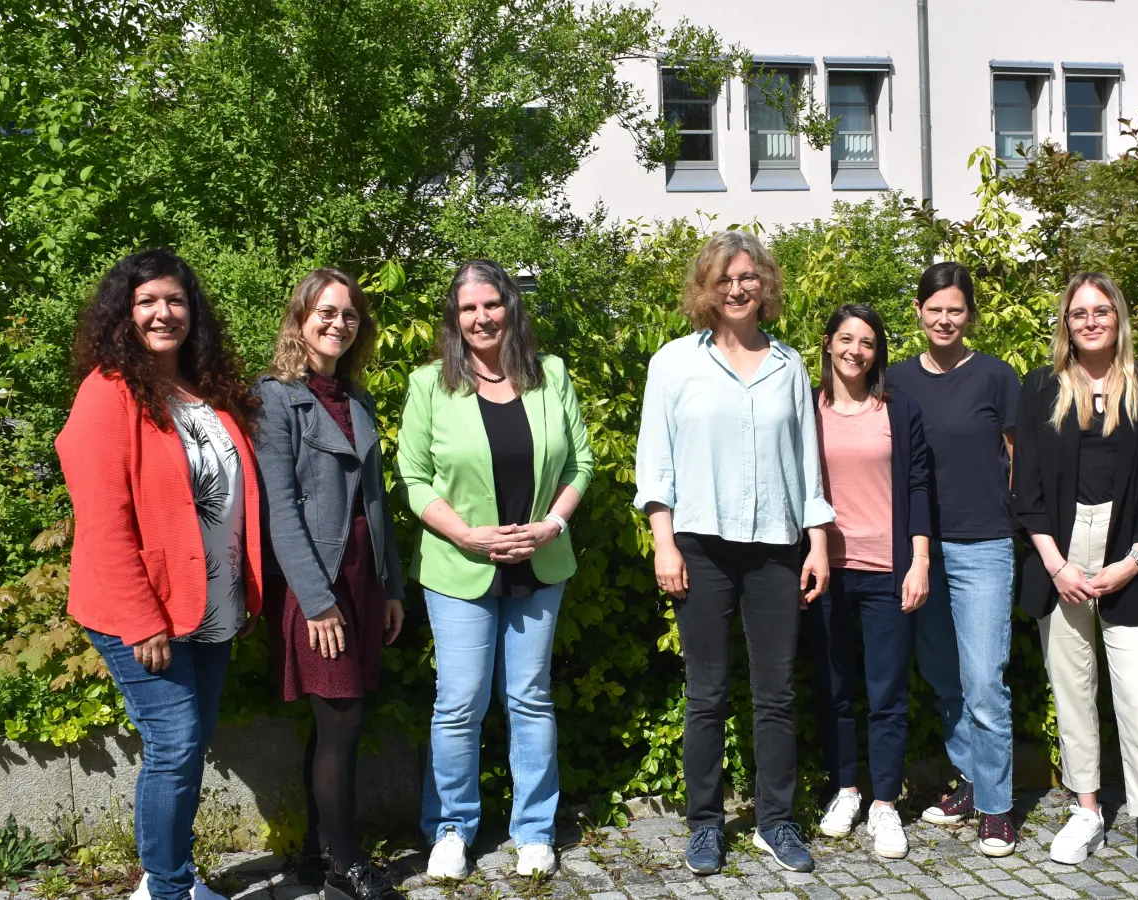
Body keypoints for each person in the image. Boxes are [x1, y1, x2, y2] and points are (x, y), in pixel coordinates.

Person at [56, 248, 262, 900]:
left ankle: (172, 873)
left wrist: (245, 588)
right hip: (144, 613)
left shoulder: (206, 391)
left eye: (175, 300)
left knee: (189, 744)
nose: (163, 312)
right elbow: (103, 522)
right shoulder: (108, 393)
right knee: (173, 746)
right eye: (148, 301)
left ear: (191, 312)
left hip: (209, 605)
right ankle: (167, 888)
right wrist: (142, 619)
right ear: (125, 312)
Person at [635, 230, 834, 876]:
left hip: (778, 547)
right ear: (706, 289)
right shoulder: (673, 364)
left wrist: (820, 543)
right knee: (707, 692)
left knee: (776, 693)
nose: (738, 287)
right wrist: (664, 541)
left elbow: (809, 466)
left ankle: (776, 821)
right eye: (725, 278)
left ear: (765, 285)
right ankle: (705, 826)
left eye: (748, 277)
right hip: (701, 544)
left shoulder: (790, 365)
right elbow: (655, 462)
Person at [395, 259, 594, 881]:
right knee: (458, 702)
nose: (481, 317)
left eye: (491, 304)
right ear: (455, 320)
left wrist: (550, 526)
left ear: (510, 307)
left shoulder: (551, 375)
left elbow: (580, 464)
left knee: (530, 698)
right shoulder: (430, 383)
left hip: (540, 561)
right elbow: (413, 477)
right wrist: (468, 536)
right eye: (468, 308)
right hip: (459, 567)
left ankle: (534, 829)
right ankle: (451, 827)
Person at [1011, 273, 1138, 897]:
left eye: (1101, 310)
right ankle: (1087, 809)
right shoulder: (1042, 388)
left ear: (1119, 317)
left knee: (1137, 695)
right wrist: (1056, 564)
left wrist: (1134, 560)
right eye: (1078, 312)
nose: (1089, 321)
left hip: (1130, 556)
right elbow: (1025, 490)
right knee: (1073, 689)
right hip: (1058, 554)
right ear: (1066, 322)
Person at [253, 269, 406, 900]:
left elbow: (376, 501)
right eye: (326, 312)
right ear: (300, 318)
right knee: (342, 719)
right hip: (316, 583)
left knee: (332, 723)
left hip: (362, 580)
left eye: (349, 315)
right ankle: (347, 864)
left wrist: (391, 585)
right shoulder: (275, 397)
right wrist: (315, 602)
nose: (338, 323)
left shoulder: (357, 398)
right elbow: (280, 509)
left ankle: (316, 857)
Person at [885, 261, 1021, 857]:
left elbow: (1017, 458)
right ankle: (969, 780)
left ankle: (996, 807)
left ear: (970, 315)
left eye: (956, 310)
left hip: (984, 545)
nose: (944, 319)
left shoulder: (997, 376)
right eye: (934, 308)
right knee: (943, 677)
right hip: (918, 551)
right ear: (918, 312)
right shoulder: (894, 379)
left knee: (985, 681)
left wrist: (1014, 521)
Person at [806, 304, 933, 861]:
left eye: (868, 342)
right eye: (846, 339)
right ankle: (846, 790)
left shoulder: (897, 409)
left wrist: (920, 560)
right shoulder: (806, 407)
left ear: (877, 352)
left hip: (888, 569)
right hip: (824, 568)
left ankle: (884, 804)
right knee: (833, 689)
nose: (856, 350)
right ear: (829, 344)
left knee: (887, 694)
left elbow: (918, 485)